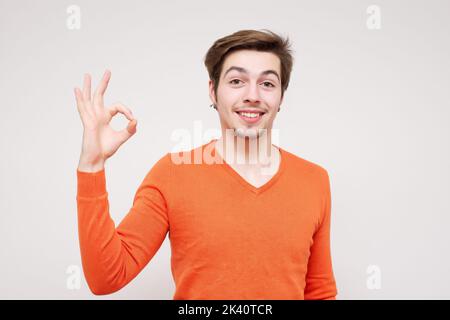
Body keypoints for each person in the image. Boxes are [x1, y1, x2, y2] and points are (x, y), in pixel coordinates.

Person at [75, 29, 338, 299]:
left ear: (281, 96)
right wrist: (91, 166)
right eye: (237, 81)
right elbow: (106, 277)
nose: (253, 95)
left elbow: (320, 292)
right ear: (213, 92)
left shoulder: (314, 180)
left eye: (268, 84)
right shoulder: (172, 174)